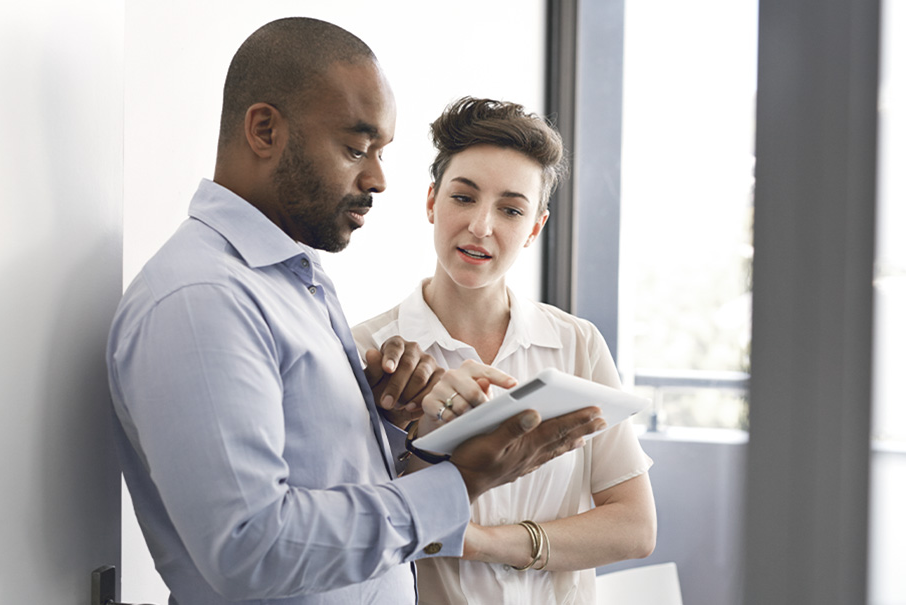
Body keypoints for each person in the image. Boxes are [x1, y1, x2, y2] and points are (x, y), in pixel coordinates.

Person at [106, 18, 606, 605]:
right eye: (356, 148)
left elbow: (318, 487)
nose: (377, 179)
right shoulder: (203, 300)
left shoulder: (293, 282)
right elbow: (250, 549)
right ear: (265, 130)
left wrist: (390, 424)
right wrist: (462, 481)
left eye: (382, 152)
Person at [352, 97, 657, 605]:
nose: (481, 227)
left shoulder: (576, 344)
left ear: (535, 226)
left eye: (511, 209)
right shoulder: (370, 352)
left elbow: (633, 526)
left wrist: (483, 544)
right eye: (463, 198)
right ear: (431, 202)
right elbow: (353, 528)